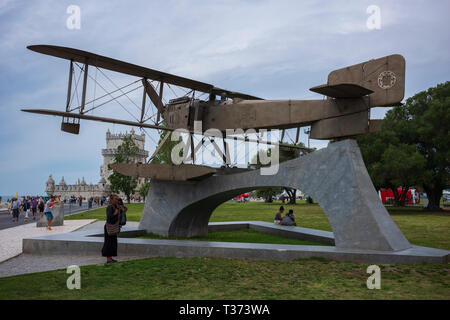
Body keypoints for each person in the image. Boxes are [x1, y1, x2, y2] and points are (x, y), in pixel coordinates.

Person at [102, 194, 120, 264]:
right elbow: (109, 218)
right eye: (115, 199)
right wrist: (115, 214)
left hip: (113, 227)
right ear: (111, 200)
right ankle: (108, 259)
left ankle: (110, 258)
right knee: (108, 243)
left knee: (112, 243)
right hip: (109, 228)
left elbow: (125, 209)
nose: (117, 200)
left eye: (117, 199)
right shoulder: (110, 207)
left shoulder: (115, 206)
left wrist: (120, 207)